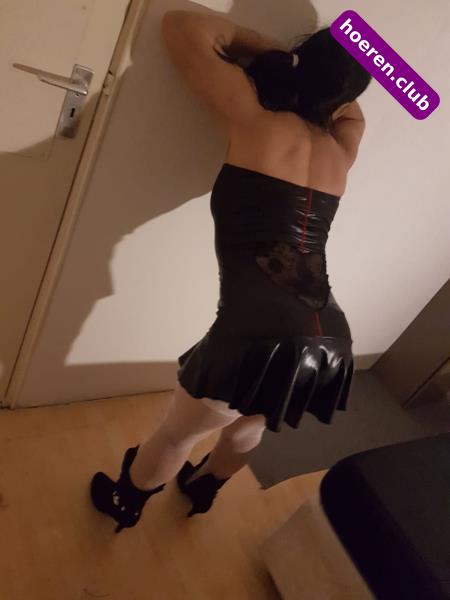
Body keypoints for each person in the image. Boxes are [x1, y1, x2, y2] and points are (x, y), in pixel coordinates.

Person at [90, 9, 372, 533]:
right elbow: (352, 106)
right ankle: (203, 487)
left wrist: (278, 54)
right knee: (248, 423)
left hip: (259, 332)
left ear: (305, 66)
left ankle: (125, 501)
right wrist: (330, 74)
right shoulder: (342, 149)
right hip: (331, 335)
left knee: (177, 434)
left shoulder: (257, 119)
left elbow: (180, 25)